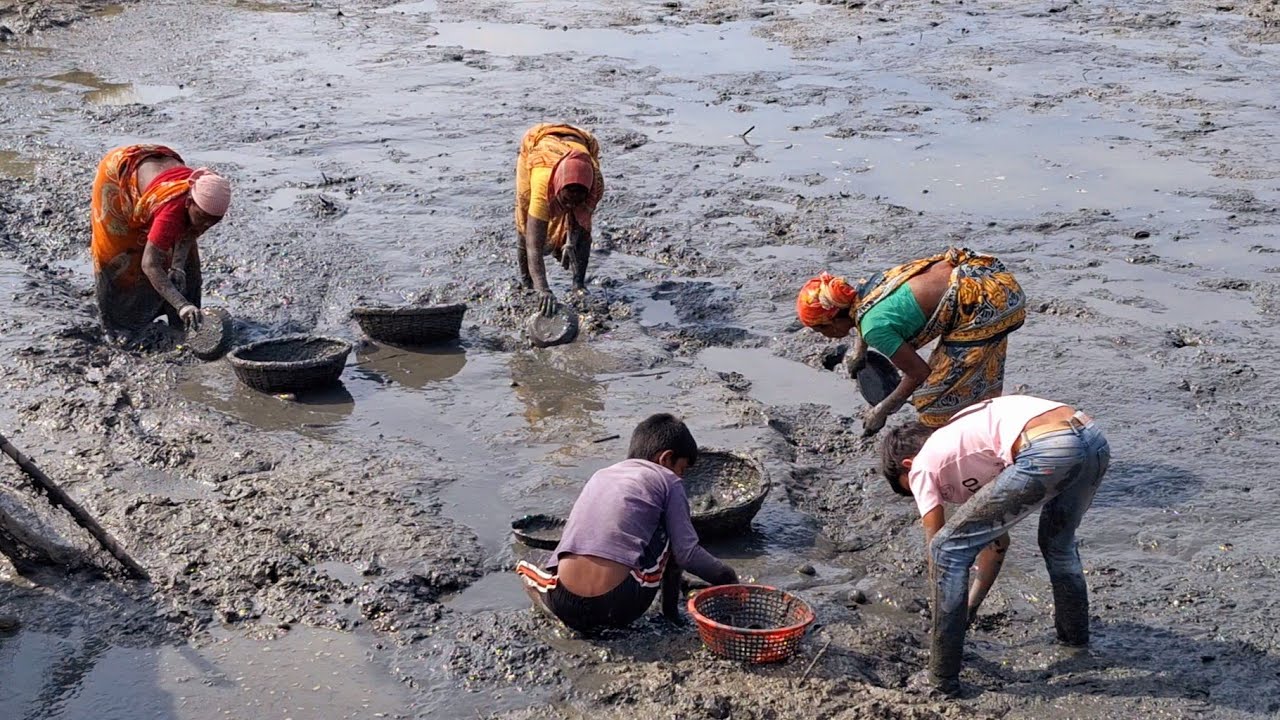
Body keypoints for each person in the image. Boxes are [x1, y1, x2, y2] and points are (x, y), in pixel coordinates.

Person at [879, 395, 1110, 696]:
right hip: (1091, 437)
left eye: (910, 490)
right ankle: (1075, 641)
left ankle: (940, 679)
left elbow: (939, 549)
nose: (934, 496)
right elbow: (996, 544)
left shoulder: (922, 464)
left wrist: (942, 611)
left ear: (907, 466)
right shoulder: (968, 447)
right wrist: (970, 608)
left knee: (945, 551)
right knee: (1058, 545)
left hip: (1046, 445)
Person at [517, 414, 738, 633]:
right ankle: (670, 613)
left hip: (564, 602)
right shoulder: (668, 480)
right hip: (620, 604)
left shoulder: (601, 475)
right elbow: (685, 554)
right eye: (681, 469)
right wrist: (726, 577)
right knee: (672, 533)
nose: (681, 477)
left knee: (528, 565)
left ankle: (555, 612)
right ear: (665, 459)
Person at [795, 247, 1026, 434]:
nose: (824, 336)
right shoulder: (873, 285)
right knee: (974, 374)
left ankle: (971, 436)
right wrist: (859, 353)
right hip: (987, 278)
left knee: (933, 400)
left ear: (831, 322)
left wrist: (881, 411)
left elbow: (919, 373)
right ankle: (989, 418)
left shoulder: (874, 329)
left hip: (987, 306)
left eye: (820, 330)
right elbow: (863, 312)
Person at [90, 144, 232, 333]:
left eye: (212, 222)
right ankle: (124, 329)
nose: (205, 226)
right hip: (118, 175)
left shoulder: (205, 205)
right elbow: (149, 264)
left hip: (158, 169)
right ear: (189, 202)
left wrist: (178, 266)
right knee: (123, 255)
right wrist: (182, 305)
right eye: (203, 219)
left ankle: (181, 324)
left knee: (184, 265)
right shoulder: (172, 211)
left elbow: (190, 231)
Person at [514, 123, 604, 316]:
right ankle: (528, 283)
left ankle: (578, 284)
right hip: (540, 149)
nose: (571, 205)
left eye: (577, 200)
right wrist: (543, 289)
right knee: (524, 224)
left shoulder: (594, 184)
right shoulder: (541, 188)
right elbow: (533, 247)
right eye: (566, 199)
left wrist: (570, 242)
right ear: (557, 189)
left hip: (579, 146)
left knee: (584, 230)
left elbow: (582, 219)